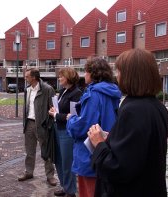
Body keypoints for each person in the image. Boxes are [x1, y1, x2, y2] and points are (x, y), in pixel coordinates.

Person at [88, 48, 168, 197]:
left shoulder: (133, 110)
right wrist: (112, 140)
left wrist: (99, 143)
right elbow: (138, 150)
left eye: (119, 72)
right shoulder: (157, 106)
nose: (117, 77)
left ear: (130, 75)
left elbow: (119, 168)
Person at [66, 57, 121, 197]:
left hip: (89, 155)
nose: (84, 75)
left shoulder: (94, 94)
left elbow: (83, 126)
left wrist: (70, 119)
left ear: (93, 73)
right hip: (106, 151)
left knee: (89, 192)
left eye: (86, 71)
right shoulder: (112, 92)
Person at [18, 68, 57, 186]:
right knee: (29, 151)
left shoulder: (47, 89)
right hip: (29, 123)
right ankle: (29, 172)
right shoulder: (27, 89)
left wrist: (48, 124)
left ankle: (50, 176)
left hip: (42, 125)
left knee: (46, 151)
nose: (25, 78)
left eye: (27, 77)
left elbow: (54, 107)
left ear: (33, 77)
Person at [48, 67, 82, 197]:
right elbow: (60, 109)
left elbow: (73, 116)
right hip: (58, 129)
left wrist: (56, 115)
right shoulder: (62, 91)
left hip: (67, 132)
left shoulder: (76, 93)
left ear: (68, 77)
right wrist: (54, 111)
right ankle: (65, 186)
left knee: (67, 162)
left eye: (61, 76)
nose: (59, 78)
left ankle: (71, 191)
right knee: (58, 160)